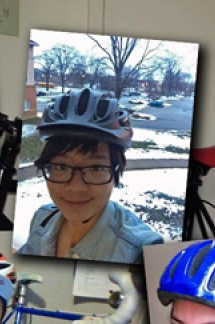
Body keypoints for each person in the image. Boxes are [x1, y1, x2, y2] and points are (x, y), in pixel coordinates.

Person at [18, 88, 164, 264]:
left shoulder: (140, 252)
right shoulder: (41, 220)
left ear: (115, 170)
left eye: (95, 168)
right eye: (60, 166)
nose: (75, 188)